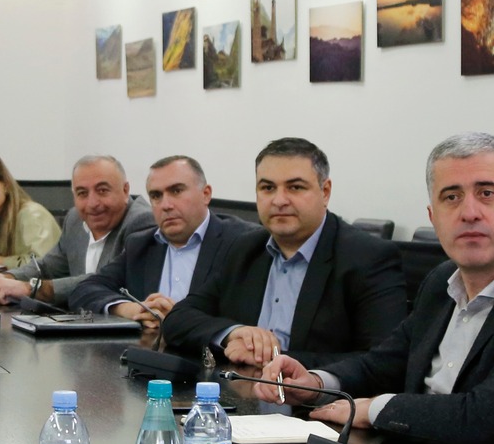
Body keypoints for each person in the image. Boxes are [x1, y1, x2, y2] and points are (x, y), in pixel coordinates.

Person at [258, 134, 494, 444]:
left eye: (487, 193)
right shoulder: (442, 282)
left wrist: (374, 409)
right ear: (433, 217)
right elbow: (383, 364)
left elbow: (484, 419)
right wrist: (316, 383)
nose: (469, 213)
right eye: (451, 197)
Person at [160, 138, 406, 369]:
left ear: (325, 191)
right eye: (267, 188)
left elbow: (383, 362)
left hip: (315, 397)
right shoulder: (245, 249)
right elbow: (178, 319)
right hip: (237, 391)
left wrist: (274, 358)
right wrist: (234, 333)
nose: (279, 200)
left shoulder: (369, 257)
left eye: (295, 187)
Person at [71, 155, 255, 334]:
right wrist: (131, 309)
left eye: (176, 191)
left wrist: (179, 320)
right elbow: (84, 290)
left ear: (205, 194)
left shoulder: (243, 242)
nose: (166, 205)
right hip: (150, 349)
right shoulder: (142, 244)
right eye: (156, 196)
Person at [0, 155, 154, 307]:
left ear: (125, 190)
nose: (92, 203)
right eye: (82, 193)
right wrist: (7, 278)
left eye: (102, 191)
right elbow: (47, 267)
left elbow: (106, 281)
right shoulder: (75, 219)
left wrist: (30, 288)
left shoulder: (141, 221)